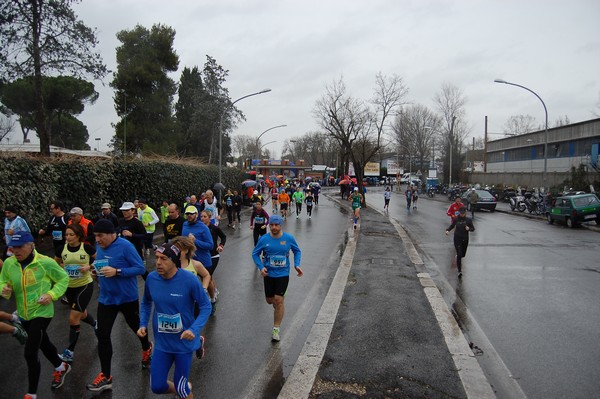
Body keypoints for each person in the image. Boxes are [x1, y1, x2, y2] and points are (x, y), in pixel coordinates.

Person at [0, 231, 71, 396]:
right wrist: (3, 288)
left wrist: (51, 295)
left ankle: (31, 394)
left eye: (20, 247)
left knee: (30, 352)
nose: (16, 251)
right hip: (24, 314)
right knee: (43, 343)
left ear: (31, 245)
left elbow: (63, 279)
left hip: (42, 312)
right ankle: (62, 366)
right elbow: (2, 280)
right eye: (13, 247)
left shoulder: (45, 262)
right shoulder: (10, 263)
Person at [138, 243, 211, 399]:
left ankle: (183, 389)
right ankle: (181, 388)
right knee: (157, 386)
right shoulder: (152, 279)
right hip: (163, 343)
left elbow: (206, 306)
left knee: (182, 389)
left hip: (183, 344)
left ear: (174, 260)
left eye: (163, 259)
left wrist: (193, 329)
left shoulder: (189, 280)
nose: (158, 262)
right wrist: (143, 323)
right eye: (157, 258)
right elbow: (145, 303)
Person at [87, 220, 152, 392]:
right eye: (95, 236)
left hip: (126, 298)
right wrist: (95, 271)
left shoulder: (126, 246)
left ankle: (146, 347)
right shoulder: (100, 246)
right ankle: (106, 375)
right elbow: (101, 264)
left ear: (111, 234)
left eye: (100, 236)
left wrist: (118, 272)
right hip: (106, 299)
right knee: (103, 335)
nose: (97, 240)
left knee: (136, 328)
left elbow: (139, 268)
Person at [251, 215, 302, 342]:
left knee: (279, 300)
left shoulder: (288, 238)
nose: (273, 227)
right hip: (268, 274)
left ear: (280, 225)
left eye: (276, 225)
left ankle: (276, 328)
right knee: (270, 300)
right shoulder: (264, 239)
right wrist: (261, 267)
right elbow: (255, 254)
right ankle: (279, 308)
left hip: (283, 274)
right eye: (271, 225)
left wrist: (296, 264)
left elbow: (297, 251)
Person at [57, 223, 97, 363]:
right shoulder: (61, 249)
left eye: (71, 235)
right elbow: (57, 263)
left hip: (84, 285)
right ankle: (94, 324)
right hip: (69, 287)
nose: (68, 237)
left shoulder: (86, 247)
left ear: (79, 236)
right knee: (81, 312)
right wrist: (61, 267)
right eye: (66, 235)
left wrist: (89, 266)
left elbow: (99, 259)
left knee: (73, 318)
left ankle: (70, 351)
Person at [200, 210, 226, 315]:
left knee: (208, 276)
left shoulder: (214, 228)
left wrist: (220, 245)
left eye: (205, 216)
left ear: (209, 217)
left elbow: (223, 236)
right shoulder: (199, 228)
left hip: (213, 255)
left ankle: (211, 298)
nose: (202, 218)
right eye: (201, 216)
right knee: (205, 277)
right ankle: (213, 290)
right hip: (202, 256)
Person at [445, 207, 475, 277]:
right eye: (461, 213)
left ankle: (459, 257)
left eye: (463, 213)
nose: (462, 215)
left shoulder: (468, 220)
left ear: (465, 213)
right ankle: (459, 271)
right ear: (459, 213)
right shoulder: (456, 219)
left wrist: (469, 229)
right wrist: (448, 230)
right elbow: (452, 226)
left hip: (465, 239)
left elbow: (473, 229)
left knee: (463, 254)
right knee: (459, 254)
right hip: (457, 238)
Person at [181, 206, 213, 272]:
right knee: (190, 282)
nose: (189, 215)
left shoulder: (203, 227)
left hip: (203, 262)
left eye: (191, 214)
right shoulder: (184, 225)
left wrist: (195, 241)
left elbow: (210, 245)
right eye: (187, 214)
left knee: (208, 281)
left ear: (196, 214)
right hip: (189, 262)